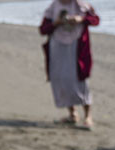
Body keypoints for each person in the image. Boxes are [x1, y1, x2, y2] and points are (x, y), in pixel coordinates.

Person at [39, 0, 99, 129]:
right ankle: (72, 114)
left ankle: (88, 116)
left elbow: (95, 20)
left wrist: (80, 19)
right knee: (61, 80)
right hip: (58, 48)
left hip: (77, 49)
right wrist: (57, 23)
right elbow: (43, 29)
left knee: (79, 80)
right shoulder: (53, 7)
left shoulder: (82, 6)